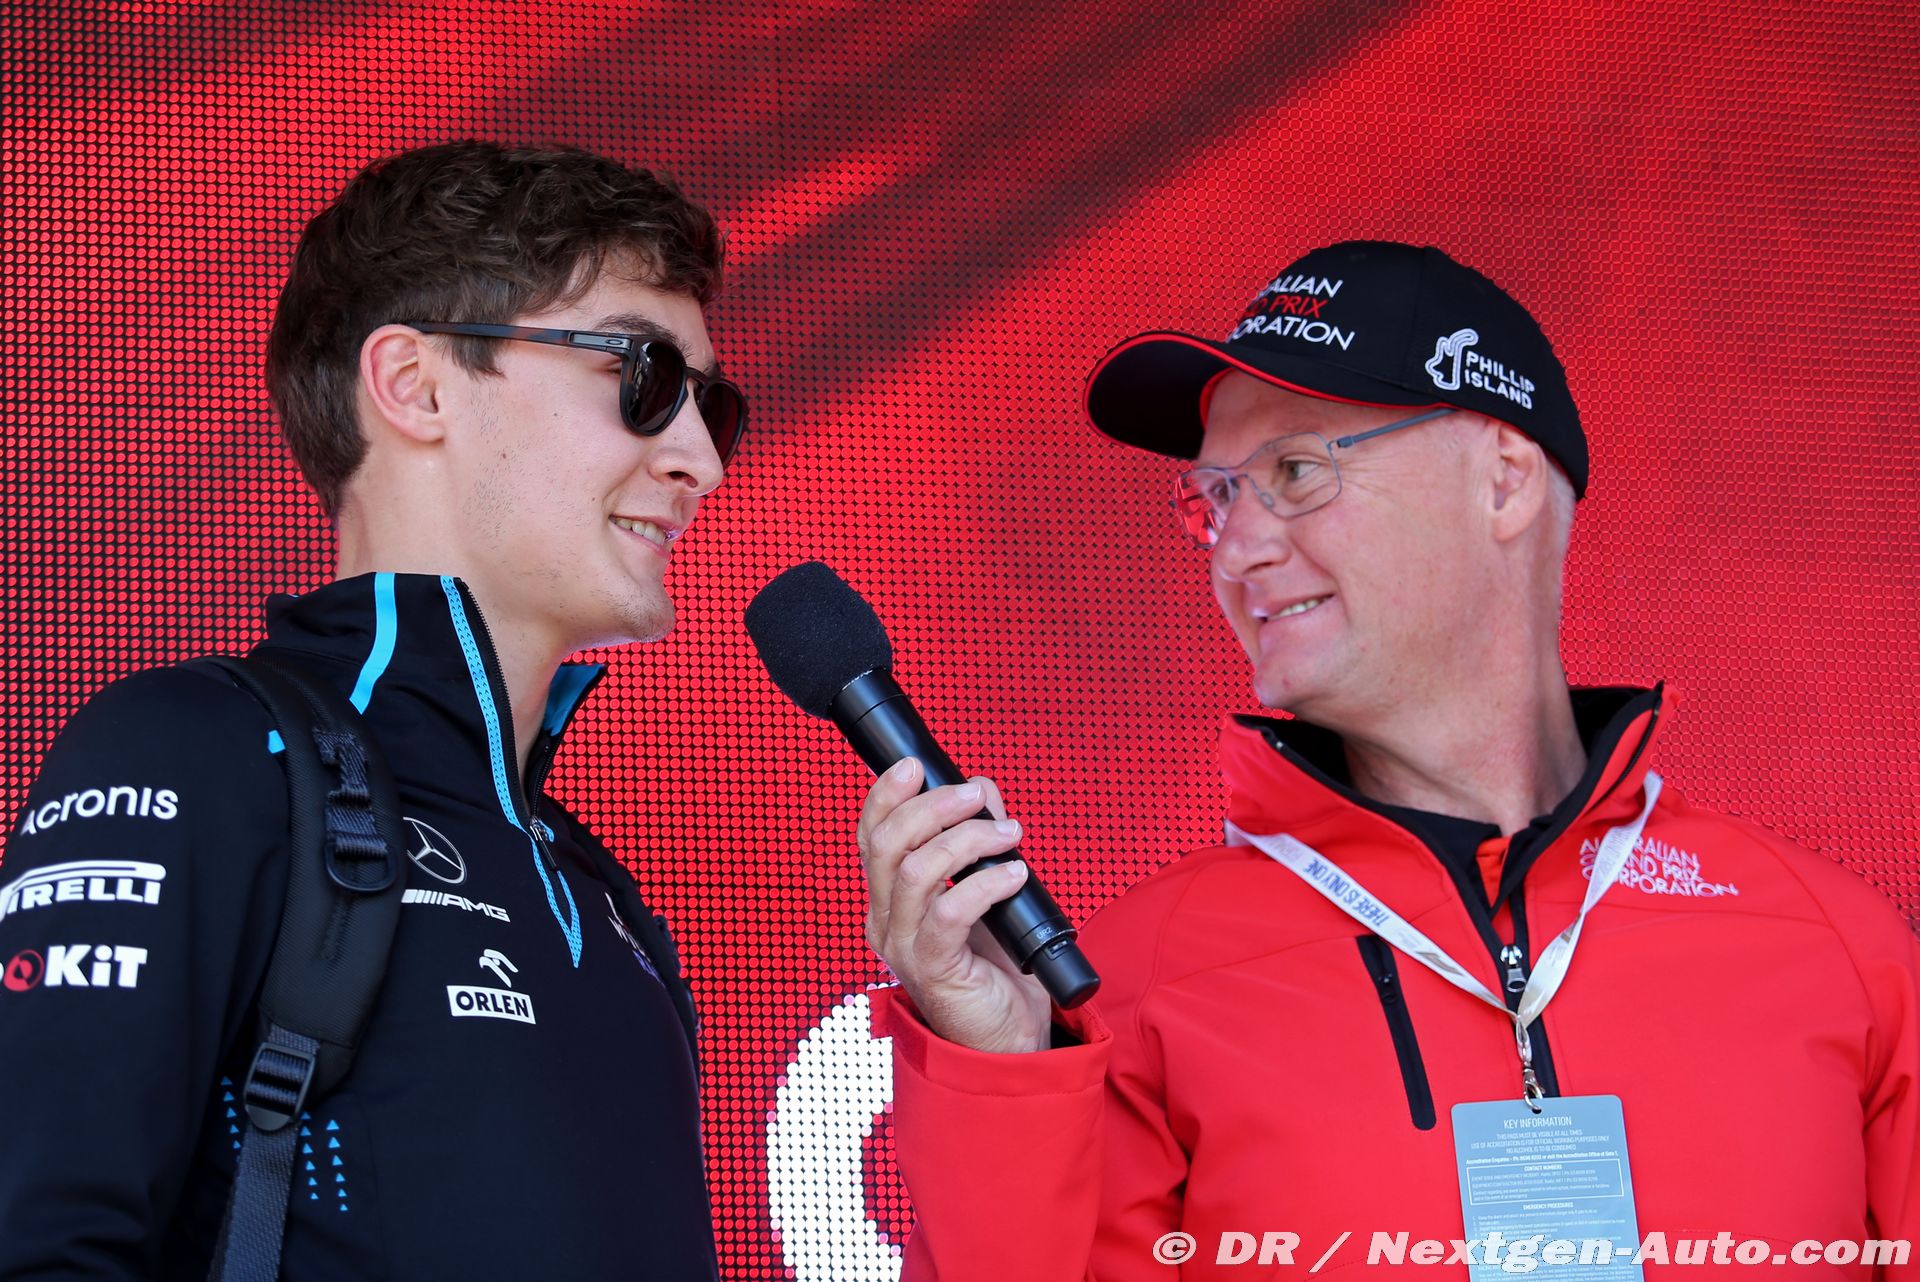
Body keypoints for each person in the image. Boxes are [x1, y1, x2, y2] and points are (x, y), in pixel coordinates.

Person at [858, 241, 1920, 1278]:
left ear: (1503, 483)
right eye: (1217, 496)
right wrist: (1003, 1088)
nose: (1235, 548)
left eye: (1294, 471)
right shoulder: (1120, 992)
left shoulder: (1848, 956)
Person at [0, 141, 745, 1279]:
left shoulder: (597, 892)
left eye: (713, 407)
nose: (700, 459)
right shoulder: (198, 749)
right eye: (644, 376)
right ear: (415, 386)